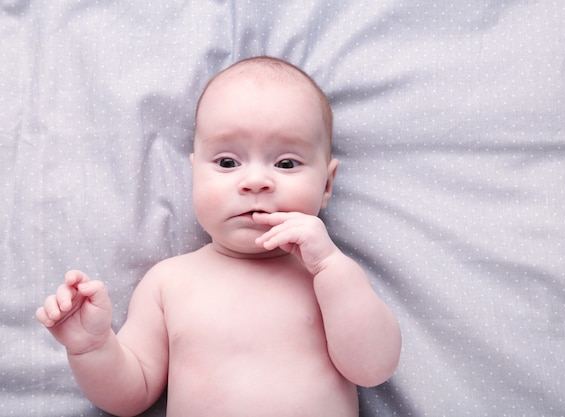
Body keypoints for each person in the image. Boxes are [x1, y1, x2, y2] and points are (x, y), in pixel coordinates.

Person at [36, 56, 402, 417]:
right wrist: (93, 348)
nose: (256, 181)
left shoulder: (331, 277)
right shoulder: (169, 282)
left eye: (286, 163)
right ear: (195, 172)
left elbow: (373, 369)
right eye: (228, 162)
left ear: (326, 183)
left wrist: (330, 267)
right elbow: (131, 396)